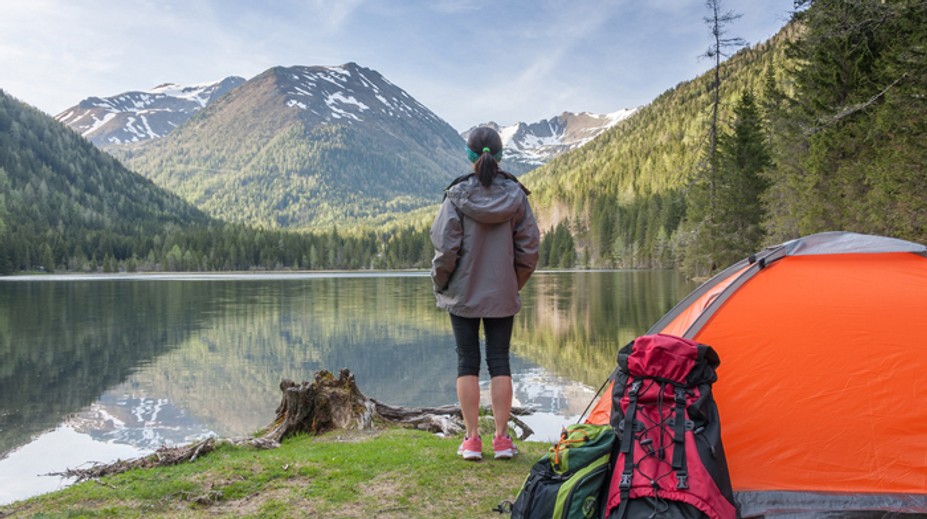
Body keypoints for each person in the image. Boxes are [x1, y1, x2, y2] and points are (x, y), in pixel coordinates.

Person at [430, 126, 540, 461]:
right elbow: (530, 249)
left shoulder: (457, 196)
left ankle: (472, 440)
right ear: (499, 154)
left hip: (462, 294)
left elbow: (445, 248)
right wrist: (511, 282)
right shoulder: (516, 196)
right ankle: (503, 441)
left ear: (469, 155)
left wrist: (441, 281)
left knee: (467, 362)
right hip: (501, 293)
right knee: (500, 361)